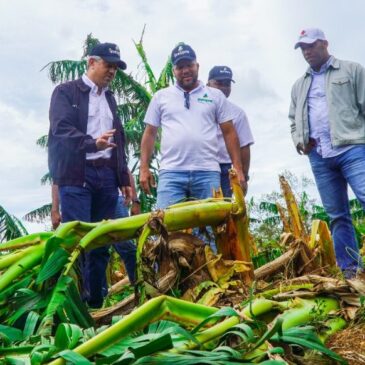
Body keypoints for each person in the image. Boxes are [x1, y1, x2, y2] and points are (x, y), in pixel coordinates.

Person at [48, 42, 132, 307]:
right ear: (91, 63)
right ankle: (75, 307)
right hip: (76, 178)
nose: (111, 72)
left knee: (108, 243)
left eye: (116, 68)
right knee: (79, 246)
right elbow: (61, 130)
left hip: (106, 179)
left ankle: (96, 304)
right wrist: (91, 143)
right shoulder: (65, 92)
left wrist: (123, 178)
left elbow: (118, 142)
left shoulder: (109, 99)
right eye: (108, 65)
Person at [289, 28, 365, 278]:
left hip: (353, 148)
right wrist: (299, 141)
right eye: (302, 48)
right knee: (337, 216)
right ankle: (351, 273)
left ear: (325, 43)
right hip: (320, 156)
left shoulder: (352, 70)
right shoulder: (299, 85)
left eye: (311, 46)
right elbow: (293, 119)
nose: (307, 52)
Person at [140, 43, 245, 209]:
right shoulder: (161, 97)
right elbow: (150, 133)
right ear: (174, 70)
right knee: (165, 226)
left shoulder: (215, 96)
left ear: (197, 66)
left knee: (211, 230)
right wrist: (144, 168)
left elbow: (229, 133)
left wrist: (238, 169)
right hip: (171, 173)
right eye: (180, 67)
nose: (185, 70)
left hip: (208, 172)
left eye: (189, 65)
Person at [51, 170, 140, 284]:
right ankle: (97, 298)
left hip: (112, 198)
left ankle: (140, 285)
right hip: (81, 202)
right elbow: (58, 175)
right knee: (92, 252)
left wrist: (135, 200)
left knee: (126, 246)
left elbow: (123, 168)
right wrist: (55, 209)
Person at [207, 66, 254, 197]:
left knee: (223, 212)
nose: (223, 87)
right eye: (218, 83)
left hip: (225, 169)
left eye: (227, 84)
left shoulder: (238, 113)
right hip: (202, 166)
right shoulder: (197, 108)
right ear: (208, 84)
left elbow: (244, 146)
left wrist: (243, 175)